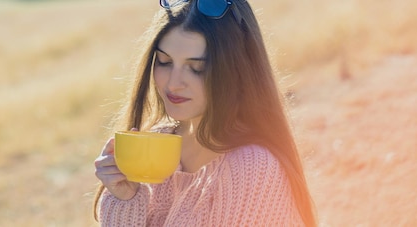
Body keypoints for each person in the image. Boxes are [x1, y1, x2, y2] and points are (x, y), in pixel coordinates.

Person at [92, 0, 317, 226]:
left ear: (236, 71)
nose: (173, 83)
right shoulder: (156, 144)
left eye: (197, 68)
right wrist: (124, 199)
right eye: (165, 62)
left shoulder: (252, 168)